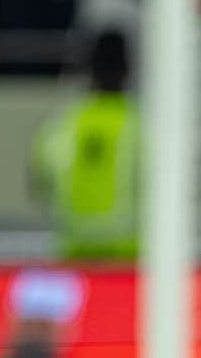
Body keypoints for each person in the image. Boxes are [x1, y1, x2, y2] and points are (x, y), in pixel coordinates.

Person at [30, 30, 138, 261]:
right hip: (129, 262)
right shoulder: (142, 126)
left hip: (74, 257)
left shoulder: (63, 125)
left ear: (89, 70)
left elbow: (38, 184)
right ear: (128, 69)